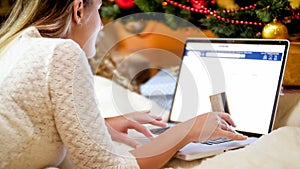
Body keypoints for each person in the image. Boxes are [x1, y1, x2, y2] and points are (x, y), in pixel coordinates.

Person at [0, 0, 247, 168]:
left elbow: (26, 121)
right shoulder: (62, 52)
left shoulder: (19, 45)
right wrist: (188, 130)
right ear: (78, 11)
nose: (101, 23)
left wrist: (95, 126)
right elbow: (105, 168)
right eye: (98, 9)